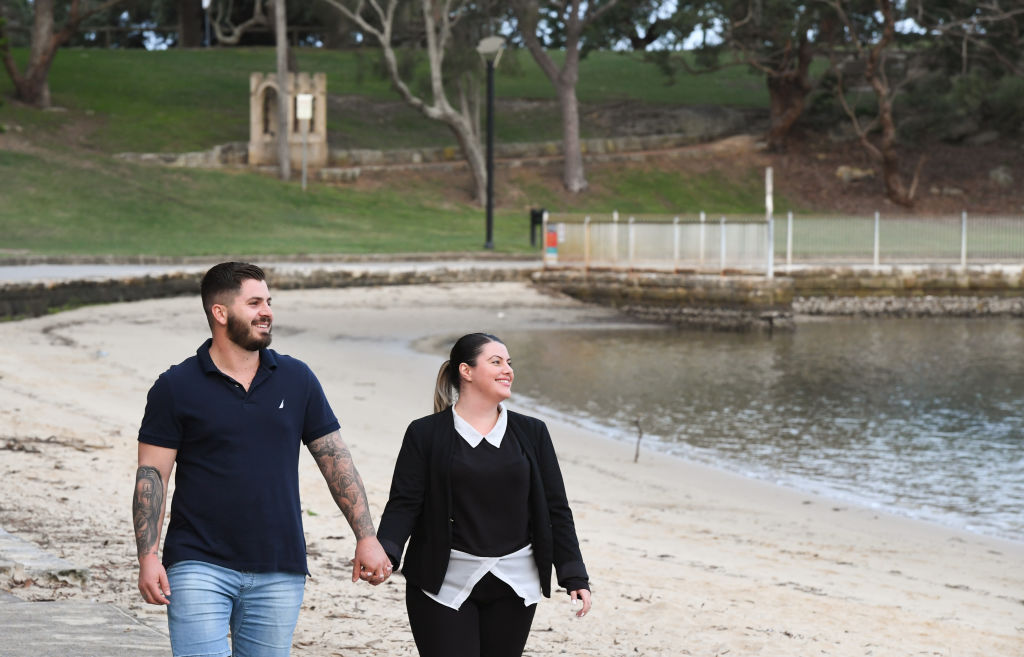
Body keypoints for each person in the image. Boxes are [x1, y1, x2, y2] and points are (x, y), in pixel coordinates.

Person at [132, 262, 391, 657]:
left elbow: (335, 460)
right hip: (198, 564)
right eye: (254, 302)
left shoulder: (297, 378)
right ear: (220, 313)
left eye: (268, 301)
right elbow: (151, 476)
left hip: (279, 566)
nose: (266, 311)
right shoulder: (175, 387)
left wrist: (367, 536)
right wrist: (148, 557)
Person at [377, 332, 592, 657]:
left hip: (516, 585)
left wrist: (573, 574)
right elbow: (404, 505)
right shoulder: (425, 433)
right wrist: (387, 553)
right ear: (466, 371)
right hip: (440, 583)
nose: (507, 369)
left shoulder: (532, 432)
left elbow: (555, 509)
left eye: (509, 363)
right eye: (496, 361)